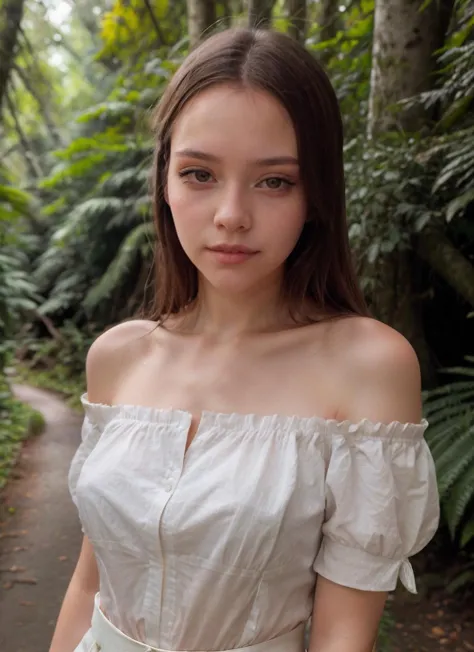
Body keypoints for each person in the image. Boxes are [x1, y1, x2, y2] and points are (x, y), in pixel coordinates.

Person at [49, 27, 440, 652]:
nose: (231, 214)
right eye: (199, 173)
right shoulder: (118, 356)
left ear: (316, 195)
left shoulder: (367, 366)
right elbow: (88, 583)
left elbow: (343, 636)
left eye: (274, 181)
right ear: (165, 182)